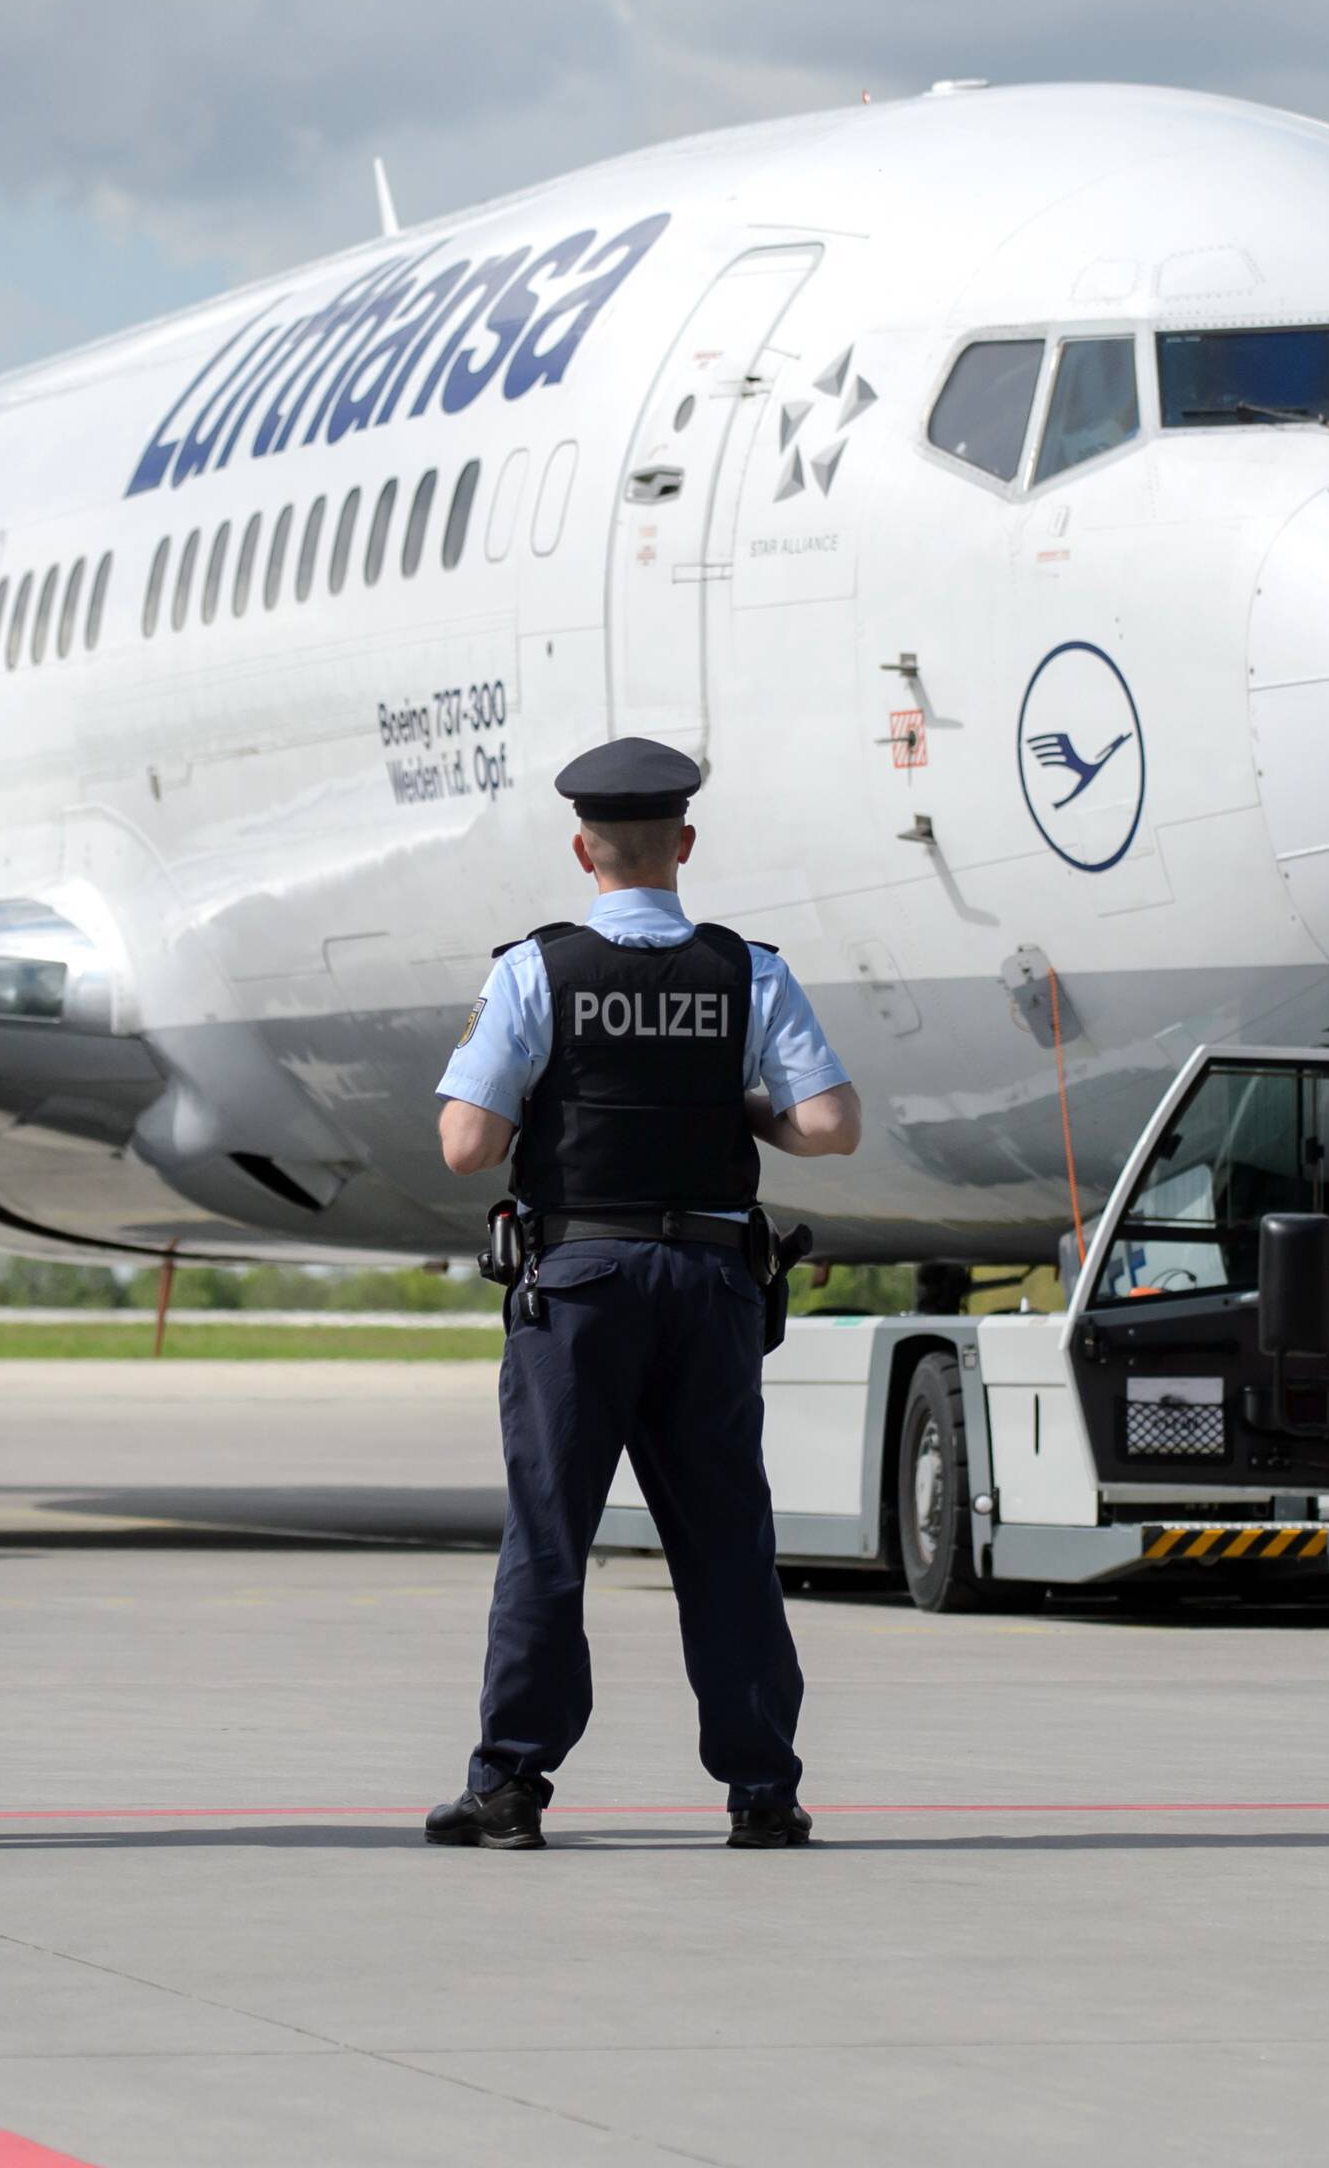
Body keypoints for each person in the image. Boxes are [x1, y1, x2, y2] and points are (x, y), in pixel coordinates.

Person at [424, 737, 863, 1853]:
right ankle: (763, 1787)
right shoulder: (747, 969)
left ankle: (512, 1785)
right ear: (685, 843)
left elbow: (467, 1146)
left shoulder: (536, 969)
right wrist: (739, 1110)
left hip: (578, 1289)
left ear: (584, 848)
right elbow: (829, 1124)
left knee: (551, 1539)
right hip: (712, 1285)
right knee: (725, 1540)